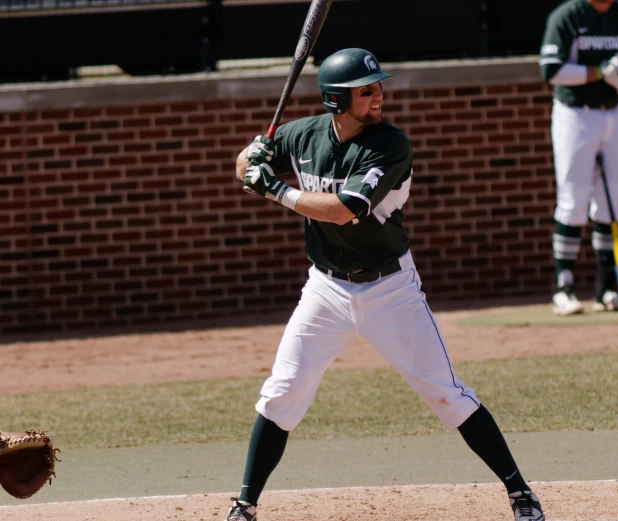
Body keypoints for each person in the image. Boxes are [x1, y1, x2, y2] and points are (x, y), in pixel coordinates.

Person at [225, 48, 545, 521]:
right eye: (366, 91)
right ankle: (245, 505)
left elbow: (345, 210)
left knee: (446, 394)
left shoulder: (388, 145)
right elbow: (243, 165)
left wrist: (274, 188)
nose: (378, 96)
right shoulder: (302, 134)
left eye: (378, 87)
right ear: (337, 100)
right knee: (282, 392)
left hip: (389, 289)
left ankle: (521, 494)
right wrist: (253, 156)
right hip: (325, 290)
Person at [539, 0, 618, 315]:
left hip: (615, 113)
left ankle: (607, 288)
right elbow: (551, 70)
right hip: (575, 115)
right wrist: (600, 72)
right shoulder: (568, 16)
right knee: (573, 198)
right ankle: (563, 287)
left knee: (614, 200)